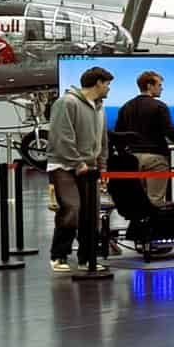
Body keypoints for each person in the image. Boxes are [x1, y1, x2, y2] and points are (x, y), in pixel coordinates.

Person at [46, 66, 112, 272]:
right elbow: (62, 136)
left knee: (91, 214)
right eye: (107, 84)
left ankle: (87, 258)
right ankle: (59, 256)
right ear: (98, 83)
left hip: (89, 168)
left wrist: (102, 168)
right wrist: (77, 163)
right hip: (63, 165)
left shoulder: (100, 107)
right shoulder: (66, 102)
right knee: (72, 209)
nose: (108, 89)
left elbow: (102, 140)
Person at [113, 70, 174, 205]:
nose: (162, 88)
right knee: (155, 201)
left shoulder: (126, 107)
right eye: (159, 85)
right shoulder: (159, 106)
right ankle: (155, 226)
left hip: (133, 159)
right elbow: (169, 130)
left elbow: (118, 134)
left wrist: (123, 154)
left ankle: (140, 226)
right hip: (155, 159)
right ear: (149, 86)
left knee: (138, 203)